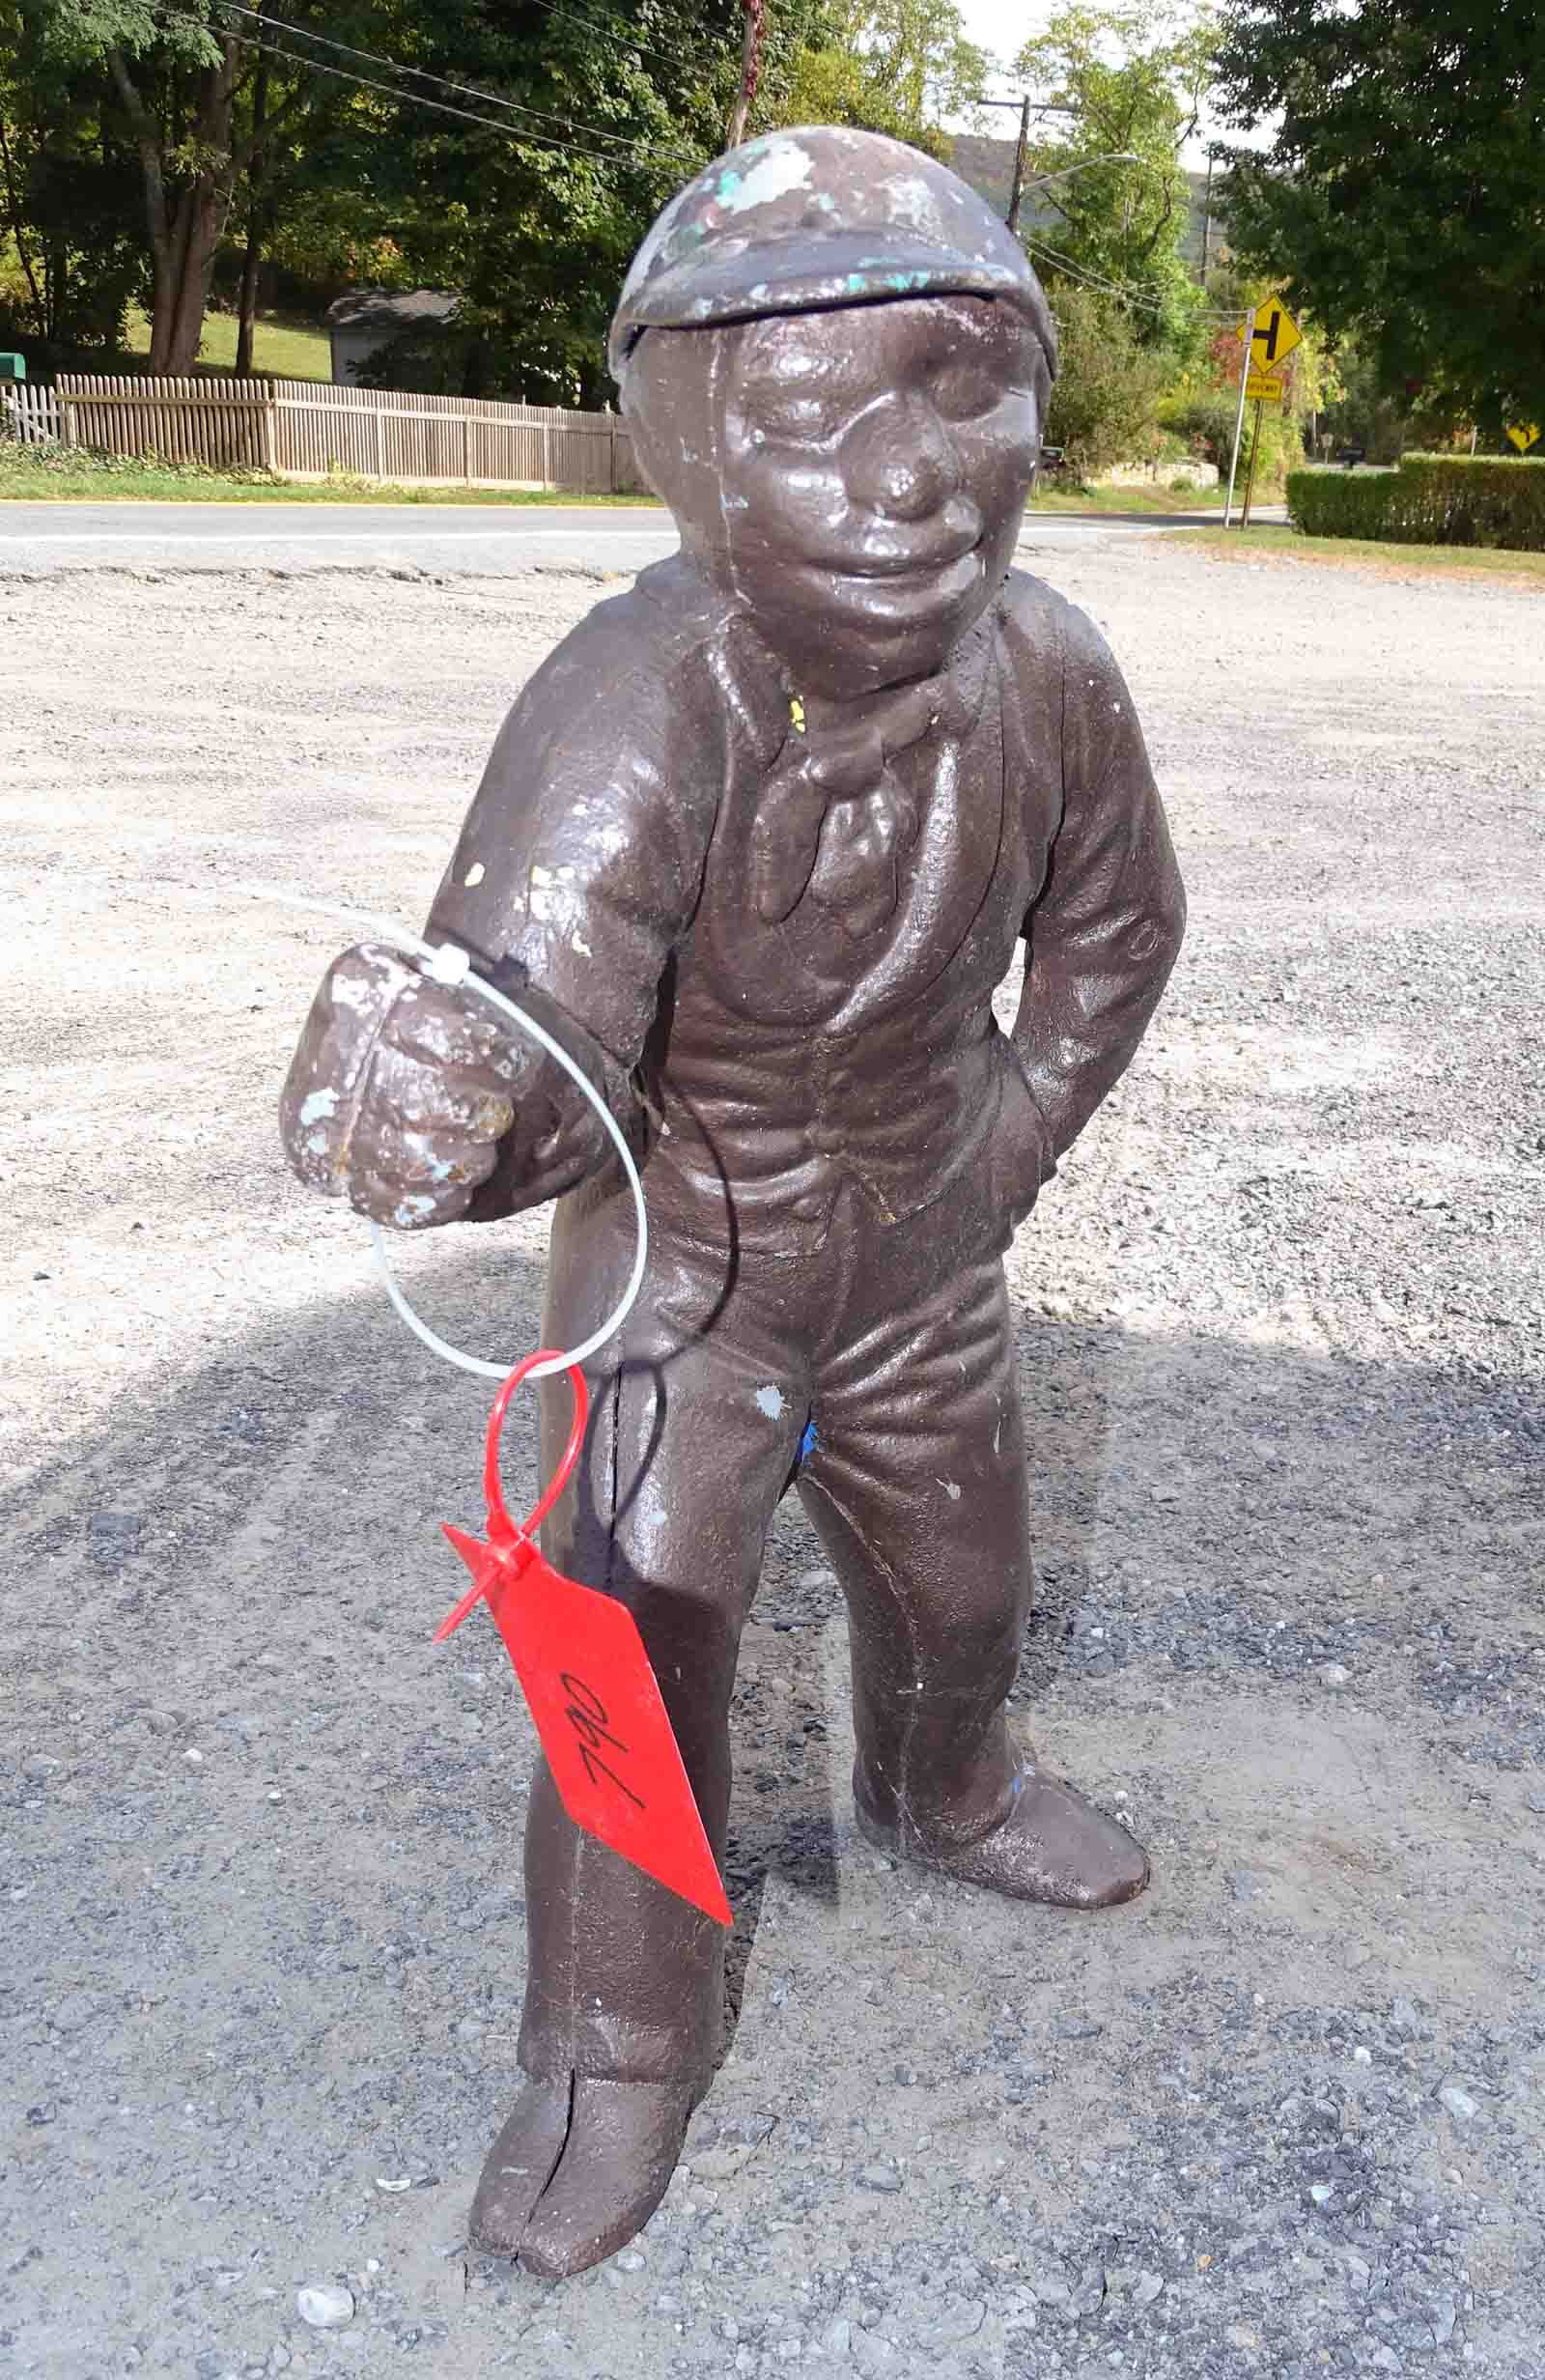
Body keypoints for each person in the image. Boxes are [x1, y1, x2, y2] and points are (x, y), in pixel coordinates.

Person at [279, 126, 1186, 2280]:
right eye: (802, 418)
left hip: (922, 1250)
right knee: (636, 1638)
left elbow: (1116, 934)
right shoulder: (640, 694)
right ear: (683, 443)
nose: (910, 477)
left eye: (966, 393)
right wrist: (448, 1120)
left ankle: (943, 1787)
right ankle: (616, 2038)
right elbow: (531, 1024)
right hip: (680, 1285)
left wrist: (1004, 1154)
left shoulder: (1048, 670)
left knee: (965, 1586)